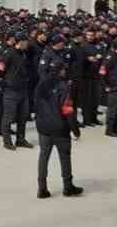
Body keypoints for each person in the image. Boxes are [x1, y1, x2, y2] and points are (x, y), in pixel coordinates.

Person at [32, 69, 82, 199]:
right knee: (65, 157)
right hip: (60, 128)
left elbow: (36, 105)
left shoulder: (40, 85)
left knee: (43, 156)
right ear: (60, 71)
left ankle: (42, 188)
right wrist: (76, 130)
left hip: (43, 127)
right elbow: (68, 111)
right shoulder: (63, 87)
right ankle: (68, 186)